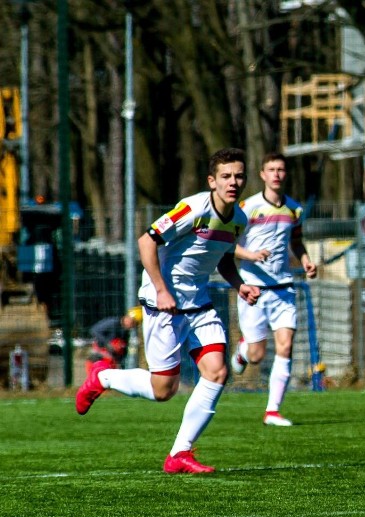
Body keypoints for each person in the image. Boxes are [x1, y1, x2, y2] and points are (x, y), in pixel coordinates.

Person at [75, 147, 261, 475]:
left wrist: (239, 284)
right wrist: (161, 289)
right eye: (226, 176)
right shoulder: (193, 208)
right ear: (212, 181)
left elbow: (222, 256)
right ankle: (102, 376)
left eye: (239, 176)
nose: (233, 182)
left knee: (217, 372)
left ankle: (180, 454)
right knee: (164, 390)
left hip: (199, 303)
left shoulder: (239, 219)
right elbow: (146, 241)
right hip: (166, 303)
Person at [229, 152, 317, 426]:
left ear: (285, 174)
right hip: (253, 289)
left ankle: (273, 411)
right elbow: (229, 244)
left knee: (286, 345)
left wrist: (305, 261)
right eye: (271, 169)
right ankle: (244, 350)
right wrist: (250, 255)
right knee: (256, 355)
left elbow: (297, 243)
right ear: (263, 175)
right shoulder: (247, 207)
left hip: (283, 288)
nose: (276, 174)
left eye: (281, 169)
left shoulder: (294, 209)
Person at [85, 306, 143, 372]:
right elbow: (94, 330)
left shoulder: (125, 332)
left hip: (111, 361)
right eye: (133, 322)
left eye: (136, 324)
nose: (133, 325)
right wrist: (107, 344)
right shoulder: (112, 323)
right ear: (127, 317)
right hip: (98, 357)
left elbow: (123, 351)